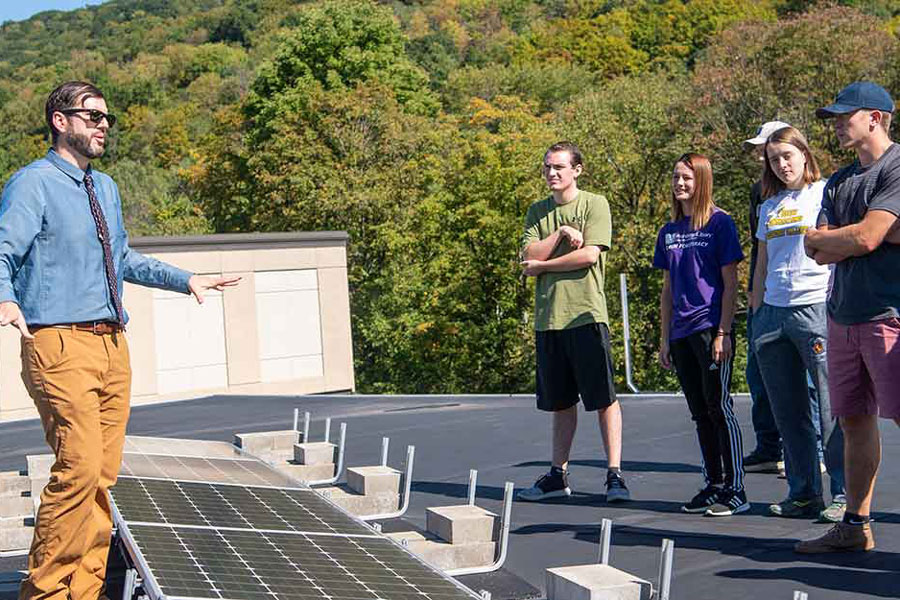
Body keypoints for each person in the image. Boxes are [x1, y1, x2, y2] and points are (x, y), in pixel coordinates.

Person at [0, 81, 240, 600]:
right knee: (78, 469)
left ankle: (82, 592)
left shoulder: (105, 187)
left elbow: (123, 259)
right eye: (92, 116)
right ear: (60, 121)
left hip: (113, 345)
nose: (103, 124)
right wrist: (5, 298)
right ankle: (43, 592)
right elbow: (2, 251)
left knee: (103, 478)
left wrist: (187, 280)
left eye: (107, 117)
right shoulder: (33, 184)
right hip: (59, 343)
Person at [798, 81, 900, 553]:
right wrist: (855, 236)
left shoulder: (897, 166)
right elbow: (813, 247)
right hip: (842, 316)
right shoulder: (839, 180)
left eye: (846, 115)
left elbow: (866, 240)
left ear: (876, 117)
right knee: (855, 422)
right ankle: (855, 525)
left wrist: (853, 237)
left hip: (889, 315)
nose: (837, 123)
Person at [517, 141, 629, 503]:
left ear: (576, 170)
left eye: (559, 168)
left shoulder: (595, 204)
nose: (552, 173)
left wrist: (544, 266)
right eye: (547, 167)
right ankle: (557, 475)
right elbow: (528, 254)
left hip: (586, 314)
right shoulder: (538, 211)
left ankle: (614, 475)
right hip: (549, 319)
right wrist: (562, 233)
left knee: (603, 399)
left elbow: (589, 255)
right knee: (561, 402)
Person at [749, 126, 845, 522]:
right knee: (788, 412)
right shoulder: (769, 206)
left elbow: (840, 249)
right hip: (772, 314)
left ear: (804, 154)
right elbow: (762, 262)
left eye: (788, 156)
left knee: (830, 407)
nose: (782, 164)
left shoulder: (826, 192)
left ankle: (842, 494)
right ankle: (804, 492)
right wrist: (756, 311)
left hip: (815, 308)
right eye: (774, 160)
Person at [655, 153, 747, 517]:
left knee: (719, 407)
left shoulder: (720, 224)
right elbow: (667, 289)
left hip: (711, 329)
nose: (680, 184)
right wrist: (665, 339)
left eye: (687, 179)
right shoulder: (669, 232)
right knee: (699, 413)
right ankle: (713, 484)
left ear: (702, 181)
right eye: (676, 178)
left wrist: (723, 331)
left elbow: (730, 284)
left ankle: (735, 489)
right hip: (681, 333)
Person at [741, 121, 789, 476]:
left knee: (801, 380)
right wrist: (754, 293)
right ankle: (768, 445)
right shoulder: (759, 191)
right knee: (757, 372)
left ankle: (808, 447)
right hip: (762, 294)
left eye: (769, 147)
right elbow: (758, 248)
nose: (763, 154)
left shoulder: (812, 190)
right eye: (762, 150)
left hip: (797, 296)